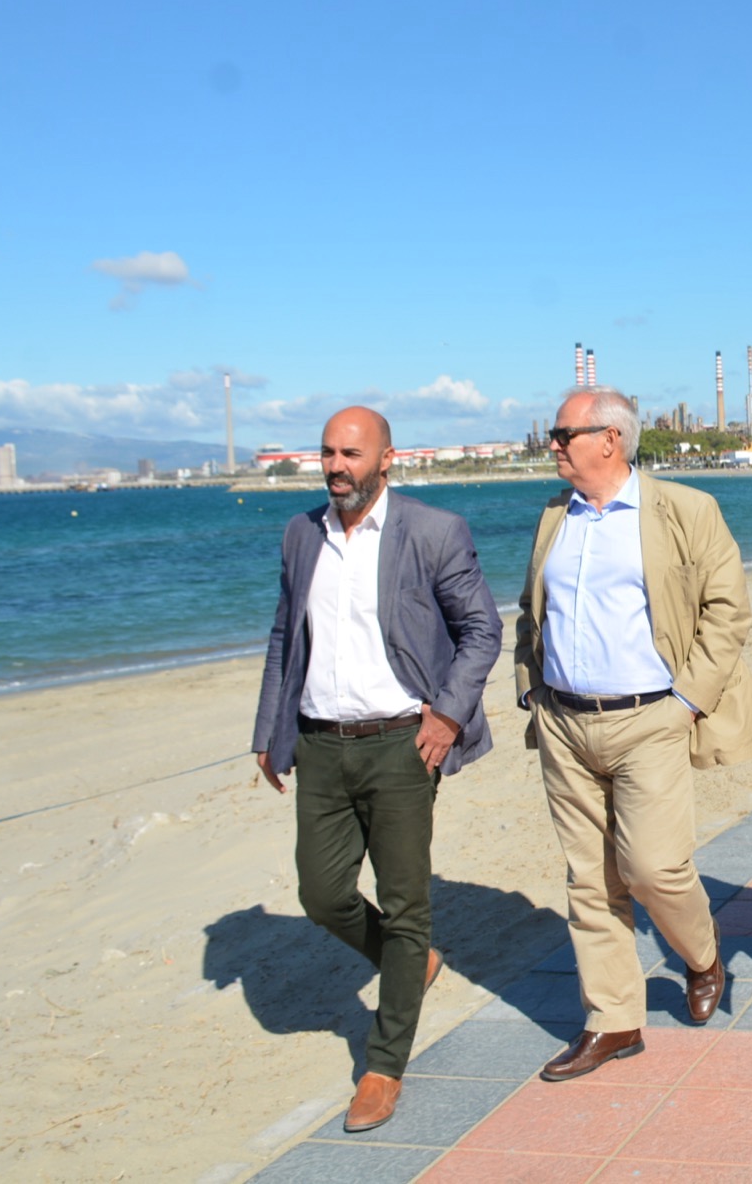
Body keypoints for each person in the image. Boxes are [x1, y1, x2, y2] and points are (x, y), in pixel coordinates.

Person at [251, 406, 503, 1133]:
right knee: (323, 894)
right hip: (320, 743)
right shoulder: (301, 534)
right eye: (327, 452)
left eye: (351, 454)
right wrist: (269, 732)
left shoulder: (432, 531)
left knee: (404, 904)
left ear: (386, 460)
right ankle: (408, 961)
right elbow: (284, 637)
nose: (336, 466)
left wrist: (446, 715)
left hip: (402, 744)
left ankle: (384, 1065)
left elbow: (481, 629)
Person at [515, 386, 752, 1081]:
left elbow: (727, 611)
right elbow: (532, 611)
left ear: (609, 440)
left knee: (653, 868)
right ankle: (614, 1020)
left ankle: (703, 955)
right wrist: (531, 687)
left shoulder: (685, 509)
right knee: (589, 879)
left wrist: (686, 703)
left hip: (651, 718)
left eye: (563, 434)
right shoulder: (554, 516)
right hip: (564, 721)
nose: (552, 445)